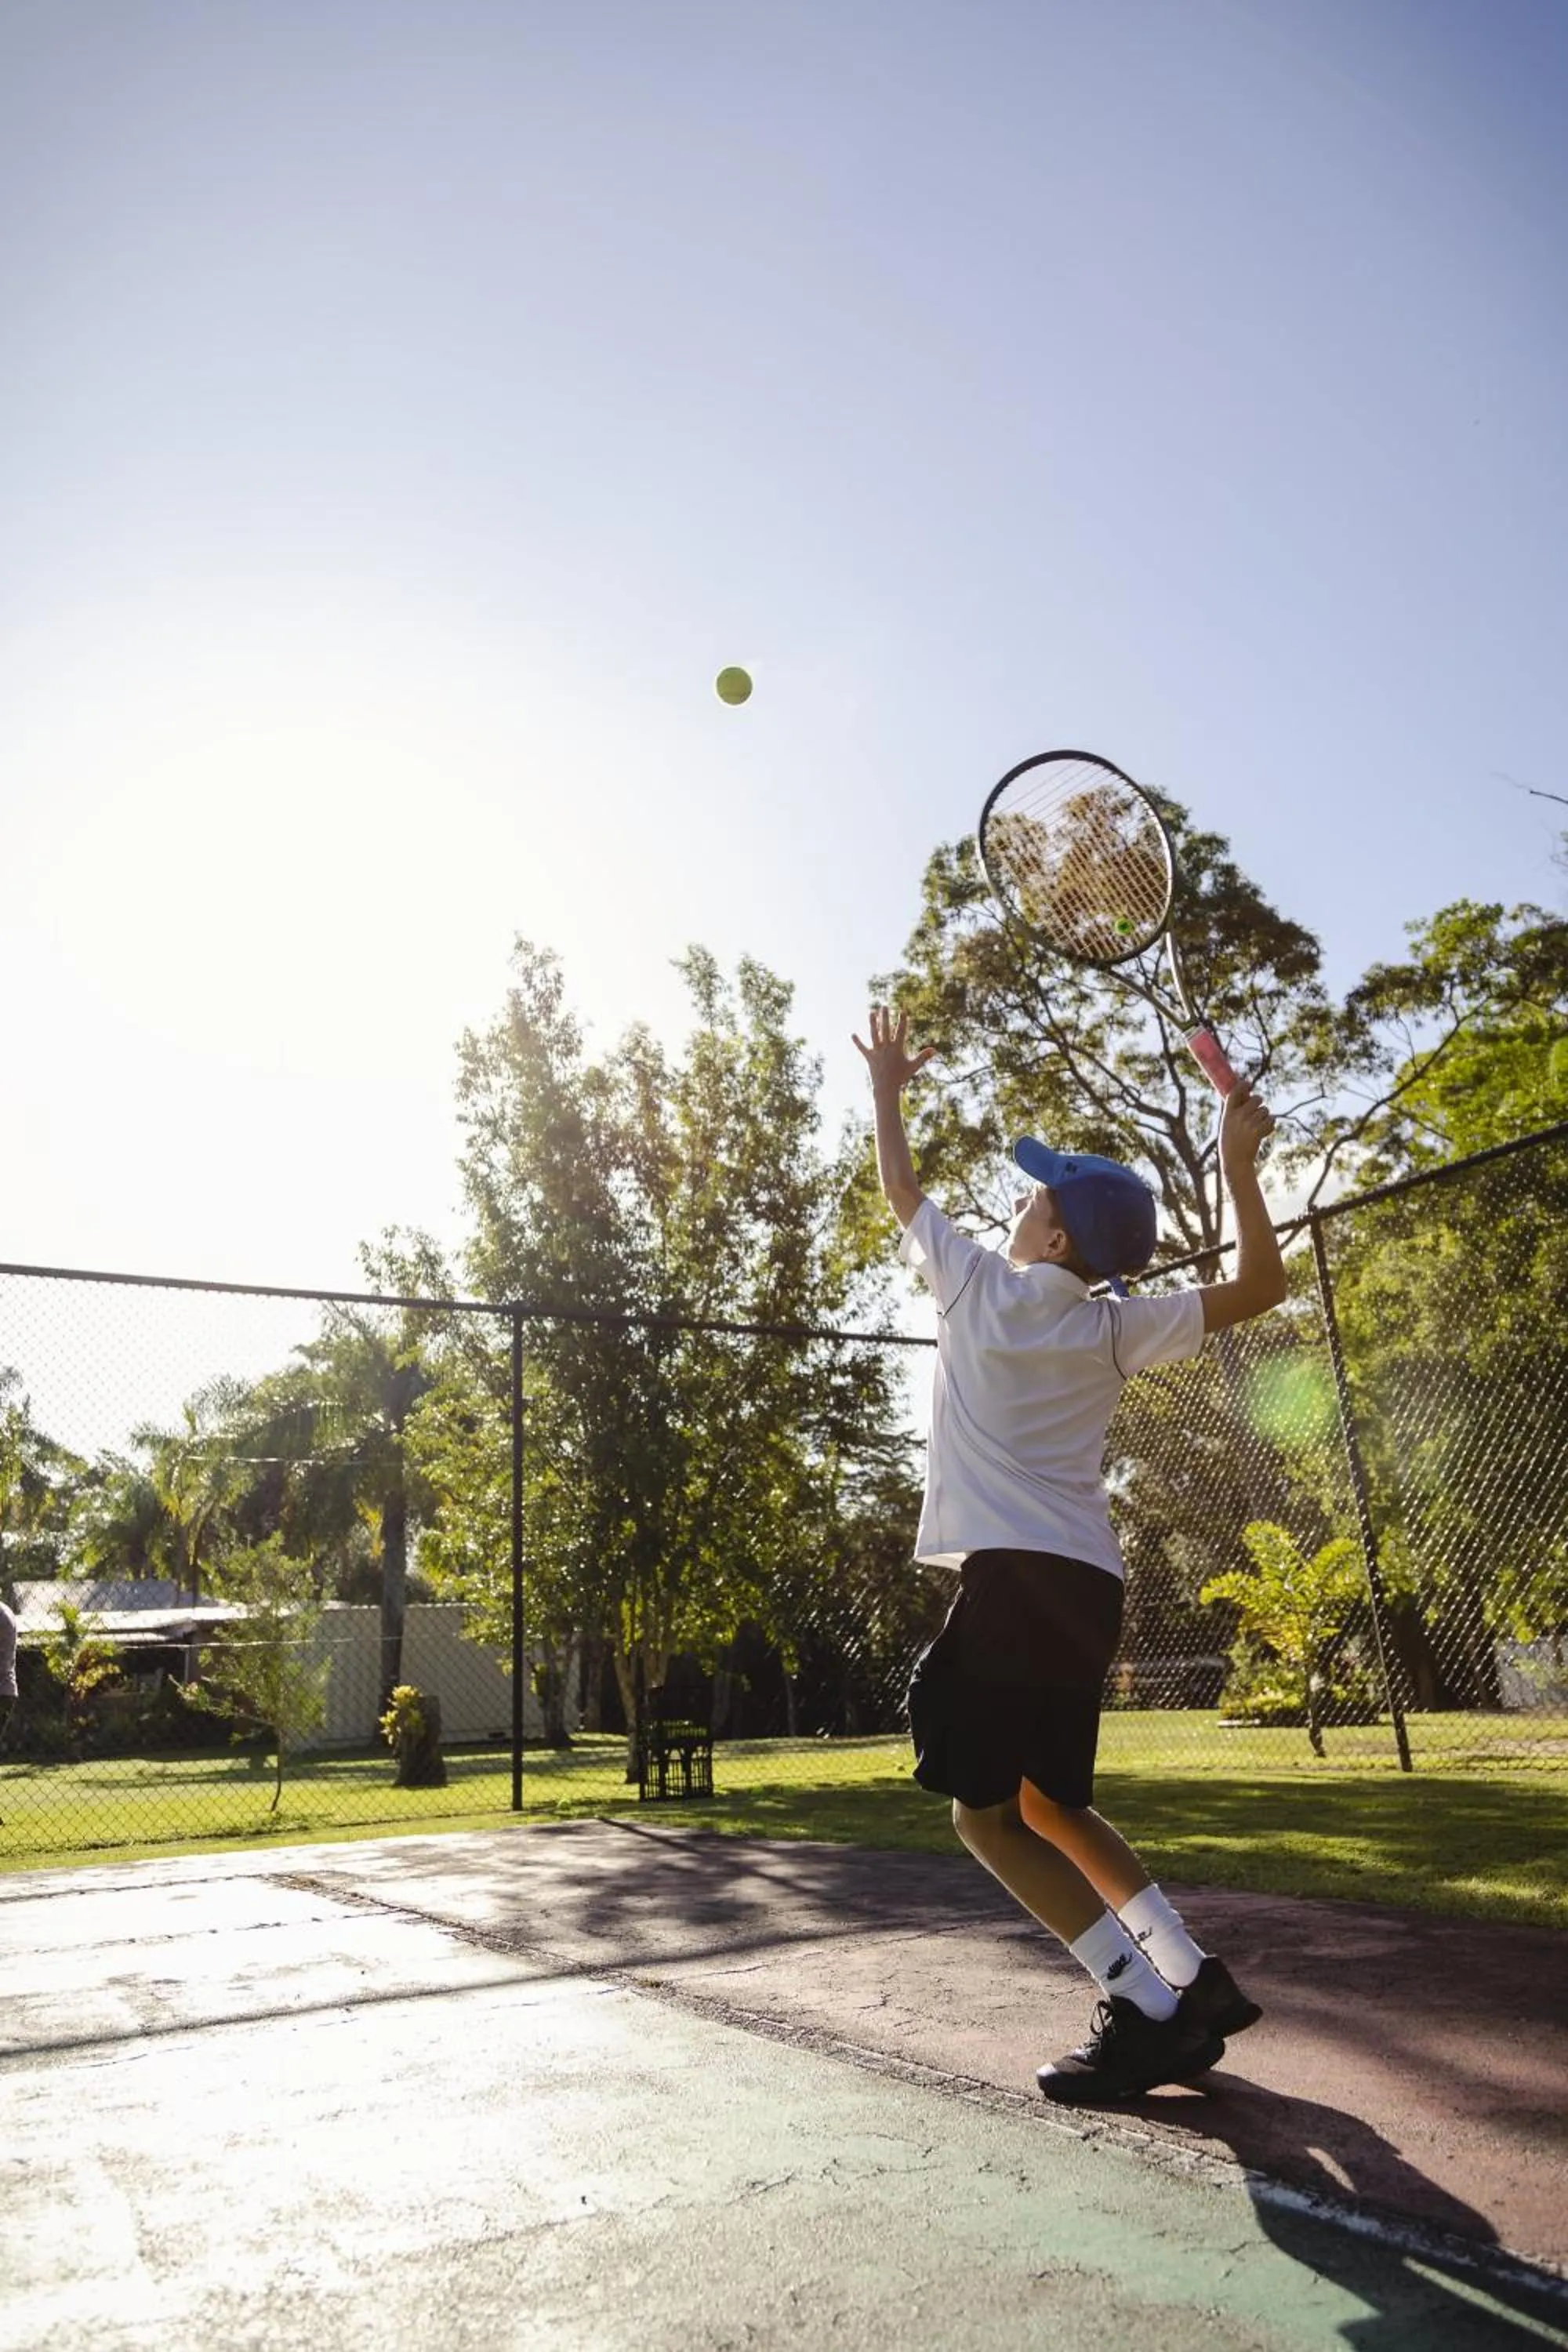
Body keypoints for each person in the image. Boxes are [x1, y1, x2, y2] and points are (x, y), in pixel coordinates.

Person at [853, 1002, 1287, 2103]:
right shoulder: (1109, 1322)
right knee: (1052, 1804)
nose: (1019, 1198)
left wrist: (888, 1089)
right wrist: (1240, 1166)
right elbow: (1262, 1287)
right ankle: (1192, 1975)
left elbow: (900, 1190)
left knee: (982, 1817)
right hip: (1089, 1587)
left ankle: (1143, 2011)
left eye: (1035, 1193)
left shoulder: (976, 1285)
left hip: (1014, 1582)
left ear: (1053, 1240)